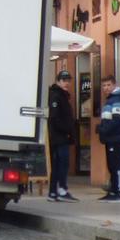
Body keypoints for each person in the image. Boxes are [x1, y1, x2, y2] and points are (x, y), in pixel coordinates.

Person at [96, 81, 120, 201]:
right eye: (104, 85)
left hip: (116, 138)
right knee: (112, 165)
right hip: (110, 138)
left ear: (114, 85)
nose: (106, 88)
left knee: (117, 165)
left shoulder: (118, 100)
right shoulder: (110, 100)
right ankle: (113, 191)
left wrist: (102, 129)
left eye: (108, 85)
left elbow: (117, 120)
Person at [46, 68, 77, 201]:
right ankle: (61, 189)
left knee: (59, 163)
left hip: (61, 136)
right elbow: (54, 117)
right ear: (58, 81)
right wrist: (66, 130)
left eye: (68, 80)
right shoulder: (56, 96)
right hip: (59, 137)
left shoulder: (62, 96)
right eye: (63, 80)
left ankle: (54, 191)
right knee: (62, 163)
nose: (66, 83)